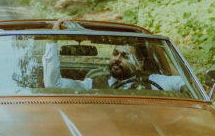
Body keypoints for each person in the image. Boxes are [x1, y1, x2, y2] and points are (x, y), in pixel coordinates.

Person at [42, 19, 186, 93]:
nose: (117, 59)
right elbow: (53, 84)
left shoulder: (153, 82)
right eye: (115, 53)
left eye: (125, 56)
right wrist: (52, 40)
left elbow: (184, 83)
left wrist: (165, 63)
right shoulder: (93, 84)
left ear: (139, 64)